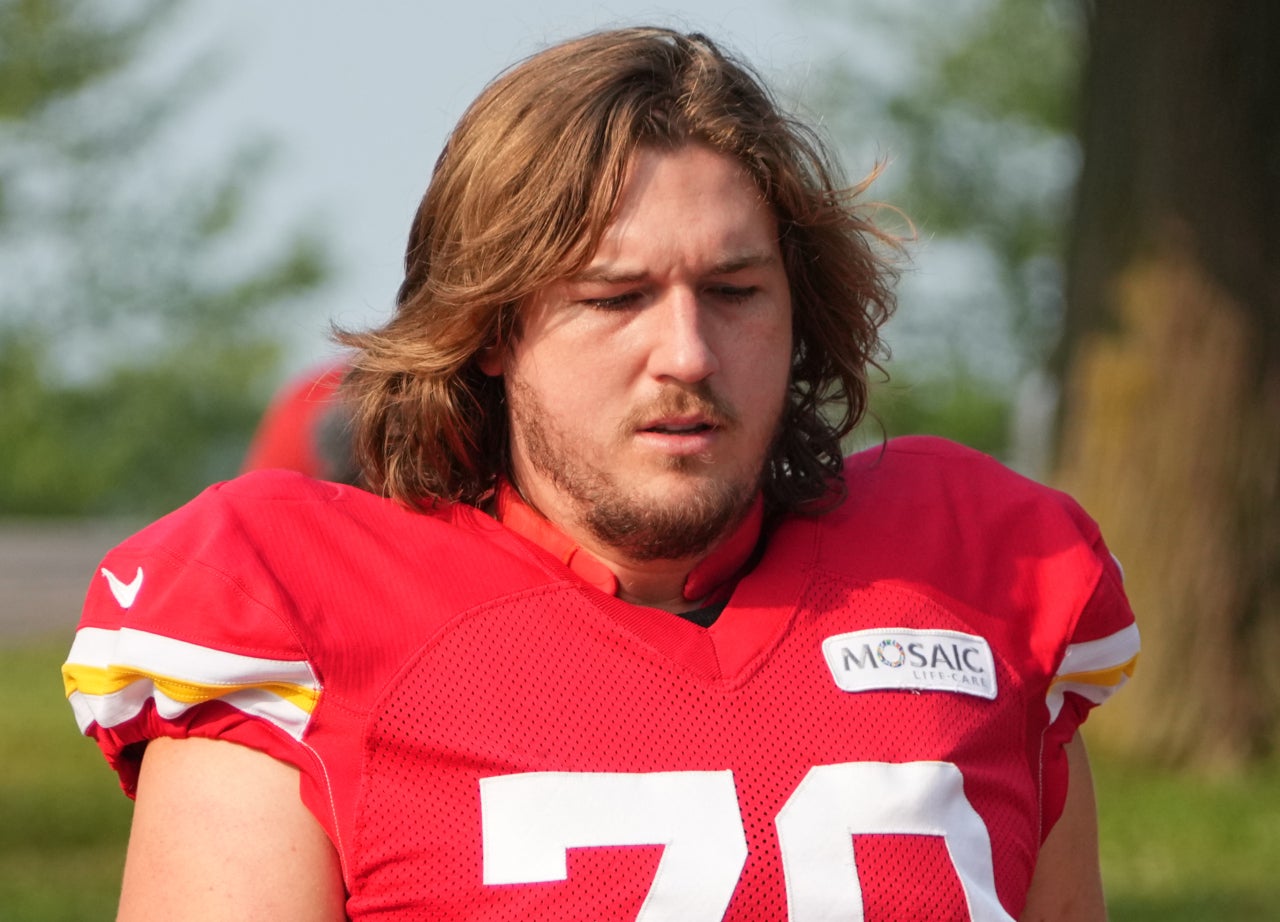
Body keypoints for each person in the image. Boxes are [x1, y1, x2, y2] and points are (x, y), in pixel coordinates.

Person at [62, 27, 1139, 921]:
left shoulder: (979, 571)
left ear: (798, 309)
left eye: (734, 291)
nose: (687, 353)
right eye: (615, 298)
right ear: (491, 326)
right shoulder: (296, 610)